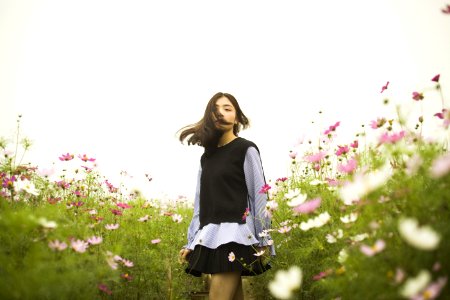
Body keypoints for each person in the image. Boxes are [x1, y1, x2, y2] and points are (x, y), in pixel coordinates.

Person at [177, 92, 275, 300]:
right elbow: (200, 204)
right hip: (212, 236)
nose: (220, 113)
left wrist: (264, 238)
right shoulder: (207, 158)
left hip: (236, 235)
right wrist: (191, 242)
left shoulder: (245, 149)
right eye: (215, 110)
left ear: (237, 117)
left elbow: (259, 195)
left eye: (227, 108)